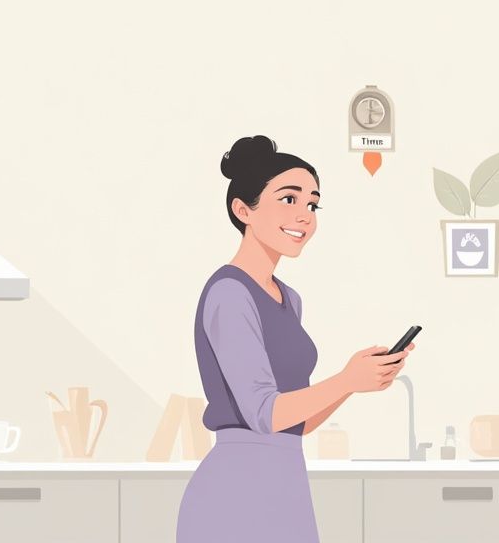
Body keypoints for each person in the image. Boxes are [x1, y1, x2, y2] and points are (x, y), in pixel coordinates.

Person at [176, 135, 414, 542]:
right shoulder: (229, 293)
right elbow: (264, 414)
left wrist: (354, 383)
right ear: (242, 210)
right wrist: (346, 380)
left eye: (312, 204)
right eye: (289, 199)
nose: (305, 215)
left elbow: (295, 426)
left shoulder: (291, 300)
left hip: (286, 486)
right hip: (235, 492)